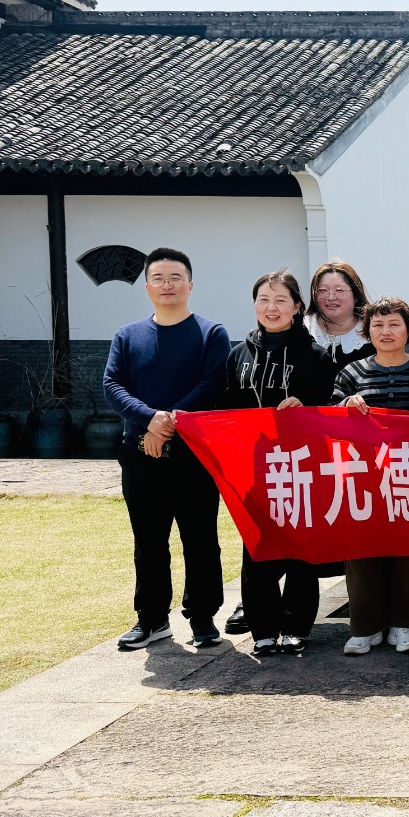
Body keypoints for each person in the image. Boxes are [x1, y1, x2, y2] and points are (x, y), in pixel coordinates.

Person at [105, 248, 231, 651]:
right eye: (158, 278)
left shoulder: (211, 333)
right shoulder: (128, 335)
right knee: (149, 540)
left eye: (175, 278)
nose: (167, 285)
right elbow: (112, 385)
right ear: (147, 288)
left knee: (200, 538)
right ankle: (152, 619)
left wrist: (169, 423)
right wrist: (150, 420)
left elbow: (212, 385)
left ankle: (203, 617)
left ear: (190, 285)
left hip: (195, 455)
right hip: (140, 453)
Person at [222, 269, 338, 657]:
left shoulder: (316, 356)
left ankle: (296, 625)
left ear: (297, 307)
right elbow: (225, 410)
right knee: (257, 548)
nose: (271, 308)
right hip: (253, 469)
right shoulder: (238, 354)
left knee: (300, 548)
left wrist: (305, 408)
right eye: (263, 300)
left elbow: (330, 411)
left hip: (302, 466)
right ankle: (263, 628)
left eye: (280, 300)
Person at [332, 297, 409, 656]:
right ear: (367, 331)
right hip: (363, 475)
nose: (386, 331)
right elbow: (328, 416)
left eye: (394, 324)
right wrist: (345, 406)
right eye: (378, 325)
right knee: (361, 549)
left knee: (408, 551)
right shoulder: (352, 373)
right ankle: (365, 626)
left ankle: (405, 625)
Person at [305, 259, 376, 372]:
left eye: (339, 290)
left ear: (356, 295)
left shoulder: (374, 334)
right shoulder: (300, 330)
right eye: (323, 290)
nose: (330, 297)